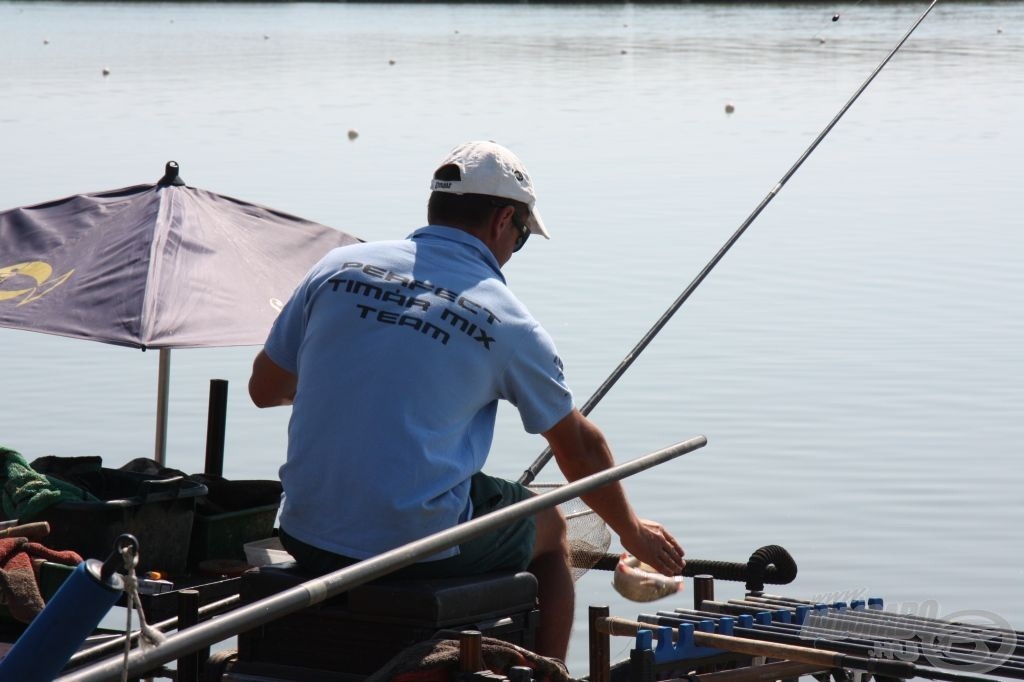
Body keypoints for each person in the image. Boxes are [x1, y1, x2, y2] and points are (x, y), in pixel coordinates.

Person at [248, 140, 684, 661]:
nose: (513, 252)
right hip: (412, 549)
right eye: (521, 238)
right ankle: (551, 672)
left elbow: (264, 389)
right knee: (551, 524)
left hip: (304, 532)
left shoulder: (337, 267)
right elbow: (580, 449)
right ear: (503, 220)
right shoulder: (509, 322)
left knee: (495, 498)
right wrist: (631, 533)